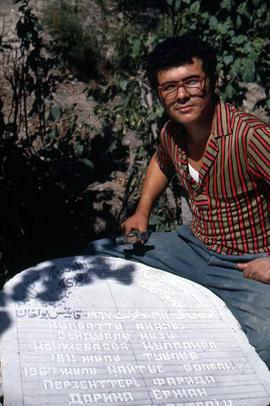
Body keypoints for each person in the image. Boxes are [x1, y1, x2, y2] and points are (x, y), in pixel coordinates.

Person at [85, 33, 270, 368]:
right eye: (169, 87)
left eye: (191, 82)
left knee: (267, 343)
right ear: (160, 94)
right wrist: (142, 212)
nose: (181, 95)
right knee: (97, 254)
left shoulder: (250, 136)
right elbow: (162, 161)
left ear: (213, 82)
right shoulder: (172, 131)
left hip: (246, 262)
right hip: (193, 245)